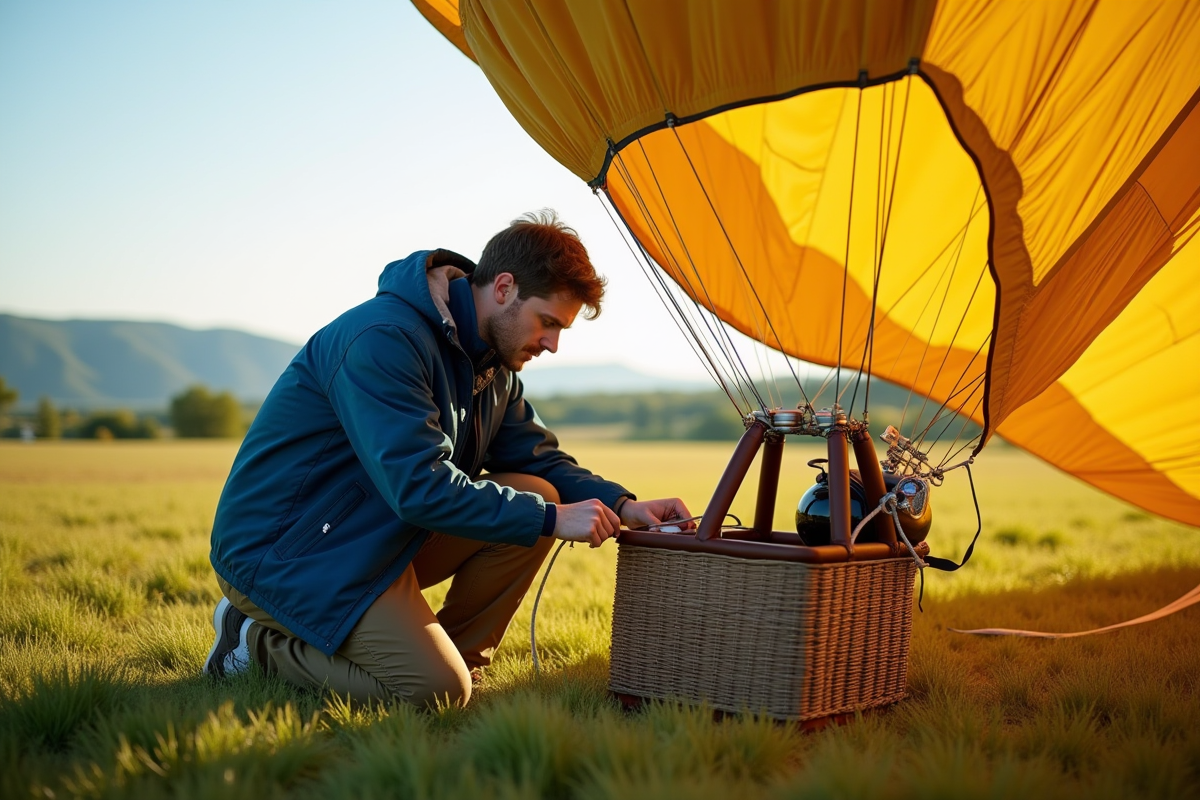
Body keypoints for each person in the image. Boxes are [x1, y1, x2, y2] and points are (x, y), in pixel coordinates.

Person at [202, 210, 692, 708]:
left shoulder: (492, 367)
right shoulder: (384, 339)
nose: (552, 344)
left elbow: (540, 460)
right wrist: (552, 519)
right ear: (504, 288)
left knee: (538, 493)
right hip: (290, 552)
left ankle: (459, 660)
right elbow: (419, 486)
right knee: (436, 691)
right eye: (547, 322)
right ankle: (249, 642)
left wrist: (624, 505)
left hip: (374, 536)